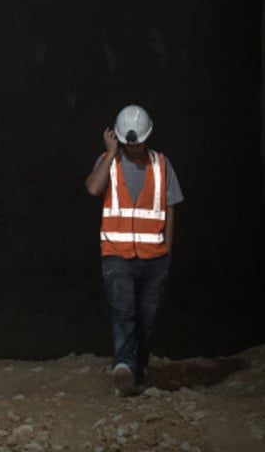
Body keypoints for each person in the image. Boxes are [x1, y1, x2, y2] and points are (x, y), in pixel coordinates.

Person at [84, 104, 183, 396]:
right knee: (123, 311)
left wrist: (167, 253)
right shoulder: (108, 162)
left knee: (146, 319)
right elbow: (92, 189)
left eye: (138, 141)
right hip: (117, 254)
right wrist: (111, 153)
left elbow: (169, 210)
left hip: (154, 258)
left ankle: (137, 371)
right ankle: (123, 365)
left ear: (147, 137)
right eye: (129, 143)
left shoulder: (162, 165)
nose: (135, 148)